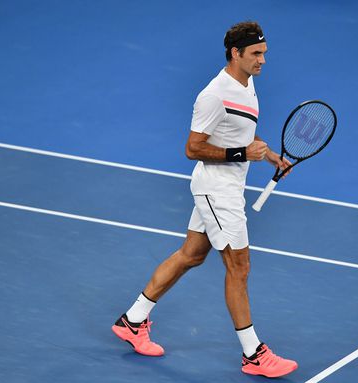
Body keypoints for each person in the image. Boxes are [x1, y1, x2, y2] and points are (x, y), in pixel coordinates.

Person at [112, 21, 297, 378]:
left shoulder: (247, 82)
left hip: (225, 188)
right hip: (217, 190)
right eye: (256, 54)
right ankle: (253, 354)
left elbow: (242, 128)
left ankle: (132, 320)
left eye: (264, 54)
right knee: (239, 267)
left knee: (192, 255)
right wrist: (243, 154)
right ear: (236, 54)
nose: (262, 61)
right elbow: (192, 148)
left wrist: (269, 154)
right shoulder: (213, 94)